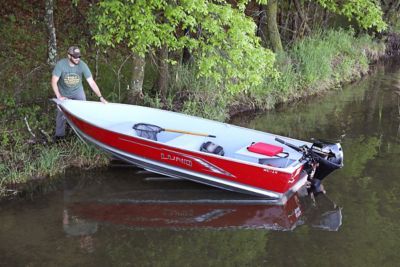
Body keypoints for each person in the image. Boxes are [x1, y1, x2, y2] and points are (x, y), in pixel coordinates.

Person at [51, 46, 107, 140]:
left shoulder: (82, 65)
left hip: (78, 91)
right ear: (69, 56)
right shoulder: (61, 65)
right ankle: (59, 136)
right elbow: (53, 81)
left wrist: (100, 97)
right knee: (61, 114)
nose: (77, 59)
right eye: (75, 57)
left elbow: (91, 82)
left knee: (83, 111)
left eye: (79, 56)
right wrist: (59, 96)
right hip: (64, 92)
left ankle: (83, 134)